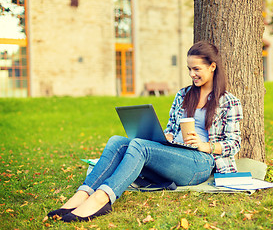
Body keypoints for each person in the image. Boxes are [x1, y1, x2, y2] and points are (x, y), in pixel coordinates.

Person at [47, 41, 243, 222]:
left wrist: (204, 145)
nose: (192, 74)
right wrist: (165, 136)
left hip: (200, 162)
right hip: (175, 152)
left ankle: (103, 197)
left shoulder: (228, 101)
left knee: (139, 147)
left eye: (196, 69)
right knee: (117, 141)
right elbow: (171, 128)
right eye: (189, 69)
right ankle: (83, 193)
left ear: (212, 67)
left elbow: (234, 143)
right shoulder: (183, 95)